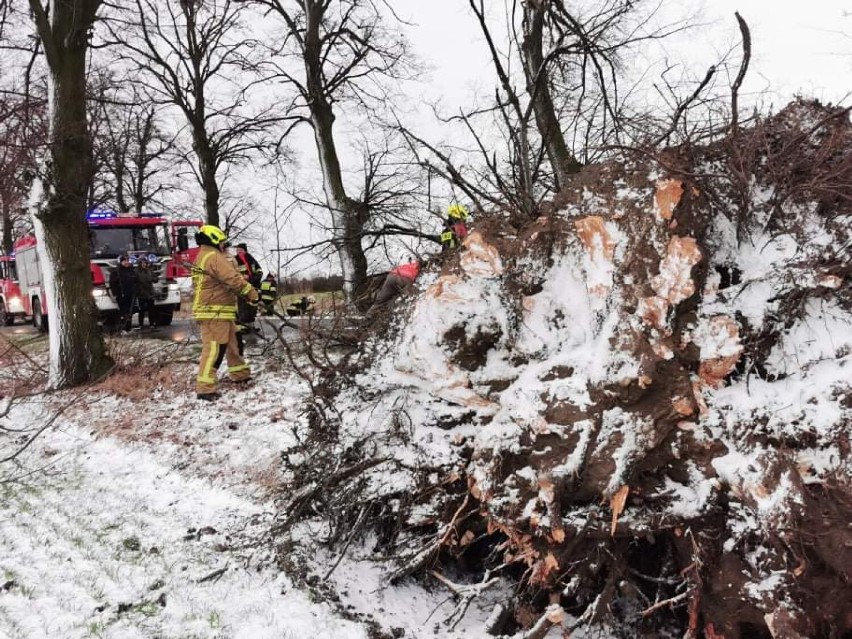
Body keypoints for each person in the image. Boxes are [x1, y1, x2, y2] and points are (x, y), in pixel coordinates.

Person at [191, 225, 259, 401]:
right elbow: (233, 279)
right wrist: (252, 294)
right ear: (213, 240)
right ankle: (205, 389)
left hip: (220, 310)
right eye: (221, 242)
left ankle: (240, 374)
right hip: (213, 311)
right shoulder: (214, 257)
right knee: (214, 348)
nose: (223, 245)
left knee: (233, 344)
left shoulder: (204, 256)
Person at [109, 254, 137, 332]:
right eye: (124, 261)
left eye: (127, 261)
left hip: (130, 294)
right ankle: (121, 328)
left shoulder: (131, 270)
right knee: (123, 312)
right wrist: (116, 293)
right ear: (121, 262)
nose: (126, 262)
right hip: (121, 294)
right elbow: (112, 283)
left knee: (129, 312)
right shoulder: (116, 272)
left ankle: (128, 328)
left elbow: (135, 281)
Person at [135, 256, 157, 329]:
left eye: (145, 263)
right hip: (141, 293)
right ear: (139, 264)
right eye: (142, 263)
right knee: (142, 310)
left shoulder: (149, 271)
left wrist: (153, 278)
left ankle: (152, 324)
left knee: (152, 310)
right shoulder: (136, 271)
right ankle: (141, 324)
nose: (144, 264)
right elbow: (134, 281)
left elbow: (156, 279)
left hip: (150, 293)